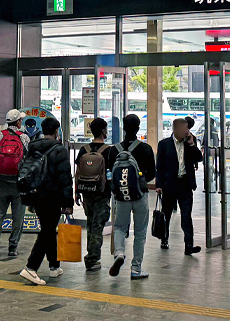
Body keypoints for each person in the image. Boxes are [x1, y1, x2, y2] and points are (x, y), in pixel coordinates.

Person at [20, 117, 73, 286]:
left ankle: (54, 266)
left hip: (36, 195)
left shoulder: (33, 147)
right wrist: (68, 203)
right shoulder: (60, 150)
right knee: (47, 231)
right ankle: (31, 267)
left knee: (48, 229)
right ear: (57, 131)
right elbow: (65, 178)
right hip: (53, 197)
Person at [107, 113, 155, 280]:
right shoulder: (146, 148)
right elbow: (151, 174)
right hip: (140, 195)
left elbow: (110, 173)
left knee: (120, 227)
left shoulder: (114, 150)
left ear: (124, 128)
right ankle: (136, 269)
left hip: (121, 196)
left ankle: (119, 253)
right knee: (140, 232)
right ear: (138, 127)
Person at [0, 109, 31, 258]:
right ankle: (13, 247)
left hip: (0, 182)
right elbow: (28, 161)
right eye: (20, 120)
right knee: (18, 217)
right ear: (17, 122)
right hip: (18, 184)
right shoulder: (24, 138)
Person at [155, 117, 203, 255]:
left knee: (186, 216)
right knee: (167, 214)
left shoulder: (190, 142)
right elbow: (160, 166)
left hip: (185, 184)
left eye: (187, 128)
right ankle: (164, 239)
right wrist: (158, 184)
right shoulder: (164, 144)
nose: (186, 131)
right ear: (175, 129)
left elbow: (199, 158)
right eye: (183, 128)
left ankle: (189, 245)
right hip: (169, 184)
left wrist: (192, 144)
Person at [75, 118, 113, 271]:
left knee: (91, 224)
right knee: (97, 226)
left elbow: (77, 172)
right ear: (104, 131)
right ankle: (92, 258)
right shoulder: (109, 150)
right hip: (102, 193)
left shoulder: (84, 149)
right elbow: (110, 174)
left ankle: (91, 255)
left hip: (86, 192)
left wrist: (77, 192)